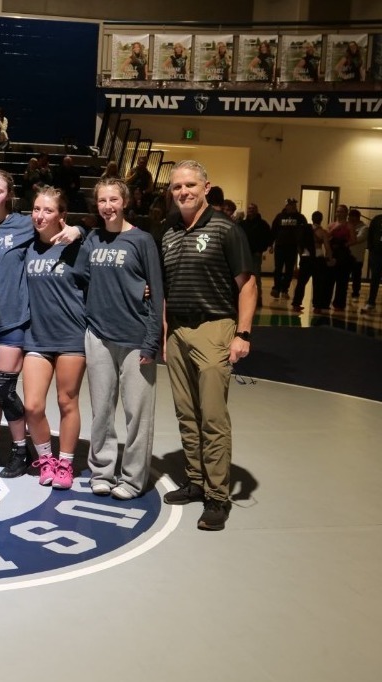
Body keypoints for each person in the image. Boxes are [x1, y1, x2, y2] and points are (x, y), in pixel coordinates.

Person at [161, 160, 256, 531]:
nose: (183, 192)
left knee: (213, 417)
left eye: (189, 185)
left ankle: (218, 496)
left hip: (215, 328)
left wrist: (242, 333)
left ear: (205, 187)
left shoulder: (225, 229)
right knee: (187, 414)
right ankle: (196, 481)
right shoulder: (167, 231)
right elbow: (167, 288)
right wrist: (166, 330)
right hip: (178, 332)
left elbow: (247, 285)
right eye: (176, 187)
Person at [0, 169, 79, 477]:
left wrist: (76, 230)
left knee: (4, 388)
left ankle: (21, 449)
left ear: (9, 195)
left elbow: (59, 226)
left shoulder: (23, 224)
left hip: (13, 321)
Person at [75, 179, 163, 499]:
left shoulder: (142, 241)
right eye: (102, 201)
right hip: (98, 335)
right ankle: (102, 471)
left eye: (113, 200)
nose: (108, 206)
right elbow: (77, 278)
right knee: (102, 411)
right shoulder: (93, 240)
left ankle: (133, 478)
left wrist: (153, 339)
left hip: (136, 338)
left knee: (137, 415)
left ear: (124, 202)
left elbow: (157, 293)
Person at [20, 187, 86, 490]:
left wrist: (79, 229)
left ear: (62, 215)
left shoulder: (77, 246)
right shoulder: (27, 244)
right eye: (36, 209)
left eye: (48, 210)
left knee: (66, 401)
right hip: (36, 337)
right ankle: (45, 458)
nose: (40, 215)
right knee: (32, 406)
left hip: (71, 335)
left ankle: (65, 463)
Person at [269, 198, 307, 301]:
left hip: (292, 247)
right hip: (280, 246)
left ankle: (285, 289)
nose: (293, 207)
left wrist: (302, 247)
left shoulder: (300, 218)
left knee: (289, 269)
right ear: (286, 206)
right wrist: (270, 245)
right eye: (291, 205)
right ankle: (276, 288)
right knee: (278, 268)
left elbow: (305, 231)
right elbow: (274, 231)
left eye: (294, 205)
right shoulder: (279, 217)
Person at [237, 203, 270, 308]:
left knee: (256, 277)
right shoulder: (242, 224)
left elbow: (267, 238)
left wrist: (261, 250)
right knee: (242, 277)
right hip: (244, 254)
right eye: (249, 208)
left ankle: (258, 299)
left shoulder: (263, 224)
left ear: (257, 210)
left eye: (253, 208)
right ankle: (243, 298)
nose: (251, 210)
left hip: (256, 254)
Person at [361, 212, 382, 313]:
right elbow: (370, 235)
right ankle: (371, 302)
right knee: (375, 278)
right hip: (377, 253)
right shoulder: (377, 219)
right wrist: (371, 249)